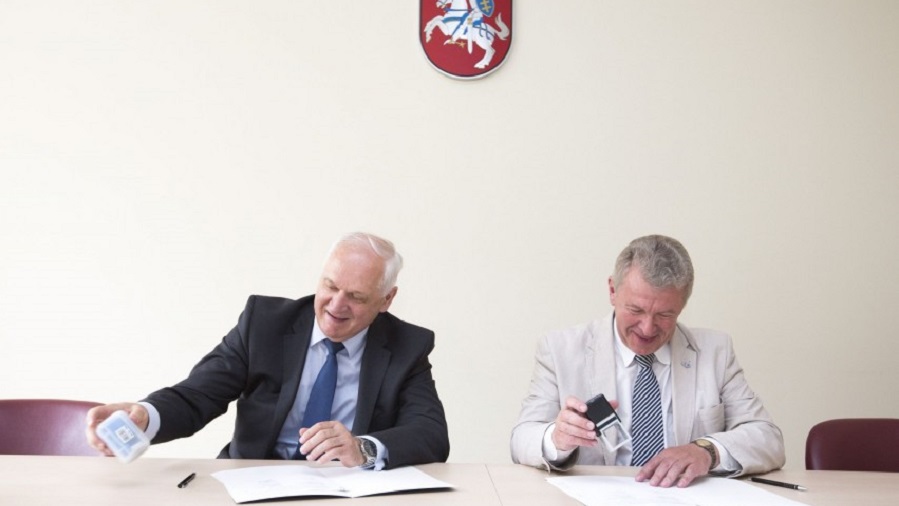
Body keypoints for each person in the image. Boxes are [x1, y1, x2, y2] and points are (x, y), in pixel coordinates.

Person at [86, 232, 449, 470]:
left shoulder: (407, 345)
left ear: (386, 299)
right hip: (255, 482)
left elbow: (430, 433)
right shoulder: (264, 324)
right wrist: (145, 415)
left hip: (345, 489)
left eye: (355, 296)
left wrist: (361, 449)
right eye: (330, 286)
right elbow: (198, 394)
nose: (336, 305)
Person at [510, 235, 784, 487]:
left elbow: (768, 439)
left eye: (665, 314)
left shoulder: (715, 352)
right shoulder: (560, 350)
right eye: (636, 309)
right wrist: (557, 438)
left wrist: (707, 451)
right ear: (612, 290)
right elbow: (521, 439)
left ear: (682, 305)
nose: (647, 328)